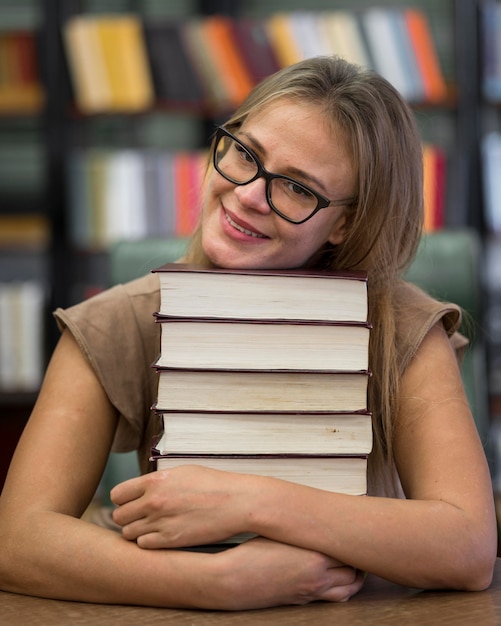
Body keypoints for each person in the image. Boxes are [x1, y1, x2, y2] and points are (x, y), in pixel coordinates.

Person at [0, 56, 496, 610]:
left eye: (295, 188)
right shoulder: (116, 322)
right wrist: (218, 584)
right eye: (246, 154)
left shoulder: (403, 327)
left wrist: (250, 502)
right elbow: (16, 539)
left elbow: (469, 546)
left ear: (347, 223)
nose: (249, 195)